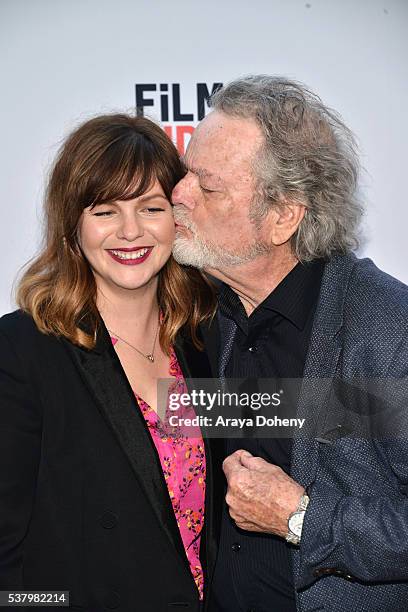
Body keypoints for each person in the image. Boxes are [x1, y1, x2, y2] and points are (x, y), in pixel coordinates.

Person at [171, 75, 408, 611]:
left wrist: (303, 518)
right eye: (185, 173)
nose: (178, 196)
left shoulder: (386, 328)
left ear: (282, 217)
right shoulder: (207, 314)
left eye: (208, 189)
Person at [0, 113, 220, 611]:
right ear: (72, 225)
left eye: (150, 207)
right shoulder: (22, 352)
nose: (130, 231)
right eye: (104, 211)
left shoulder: (203, 342)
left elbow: (310, 417)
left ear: (177, 217)